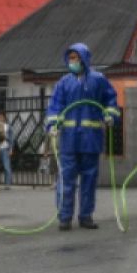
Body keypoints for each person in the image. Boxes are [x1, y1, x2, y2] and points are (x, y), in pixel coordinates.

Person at [45, 43, 120, 231]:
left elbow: (111, 100)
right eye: (70, 58)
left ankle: (86, 216)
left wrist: (111, 115)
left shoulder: (98, 80)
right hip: (69, 140)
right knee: (66, 180)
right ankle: (65, 217)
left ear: (84, 59)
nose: (72, 62)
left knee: (89, 180)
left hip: (90, 139)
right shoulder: (63, 83)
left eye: (75, 58)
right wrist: (52, 125)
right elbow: (55, 107)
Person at [0, 108, 13, 190]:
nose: (0, 118)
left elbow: (12, 139)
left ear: (4, 118)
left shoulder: (8, 126)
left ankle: (7, 184)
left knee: (6, 167)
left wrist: (11, 149)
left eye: (1, 117)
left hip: (5, 148)